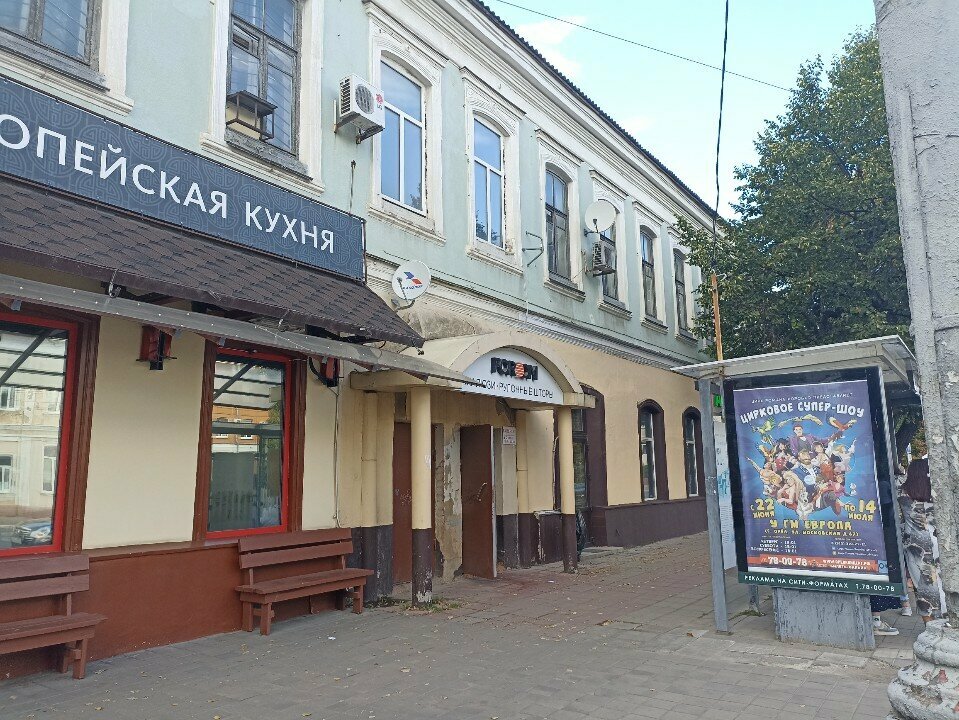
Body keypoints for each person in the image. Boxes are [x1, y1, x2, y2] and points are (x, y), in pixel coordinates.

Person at [898, 458, 946, 622]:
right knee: (942, 583)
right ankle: (946, 619)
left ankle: (930, 626)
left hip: (915, 547)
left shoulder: (903, 494)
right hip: (938, 543)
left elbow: (896, 477)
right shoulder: (935, 493)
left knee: (923, 588)